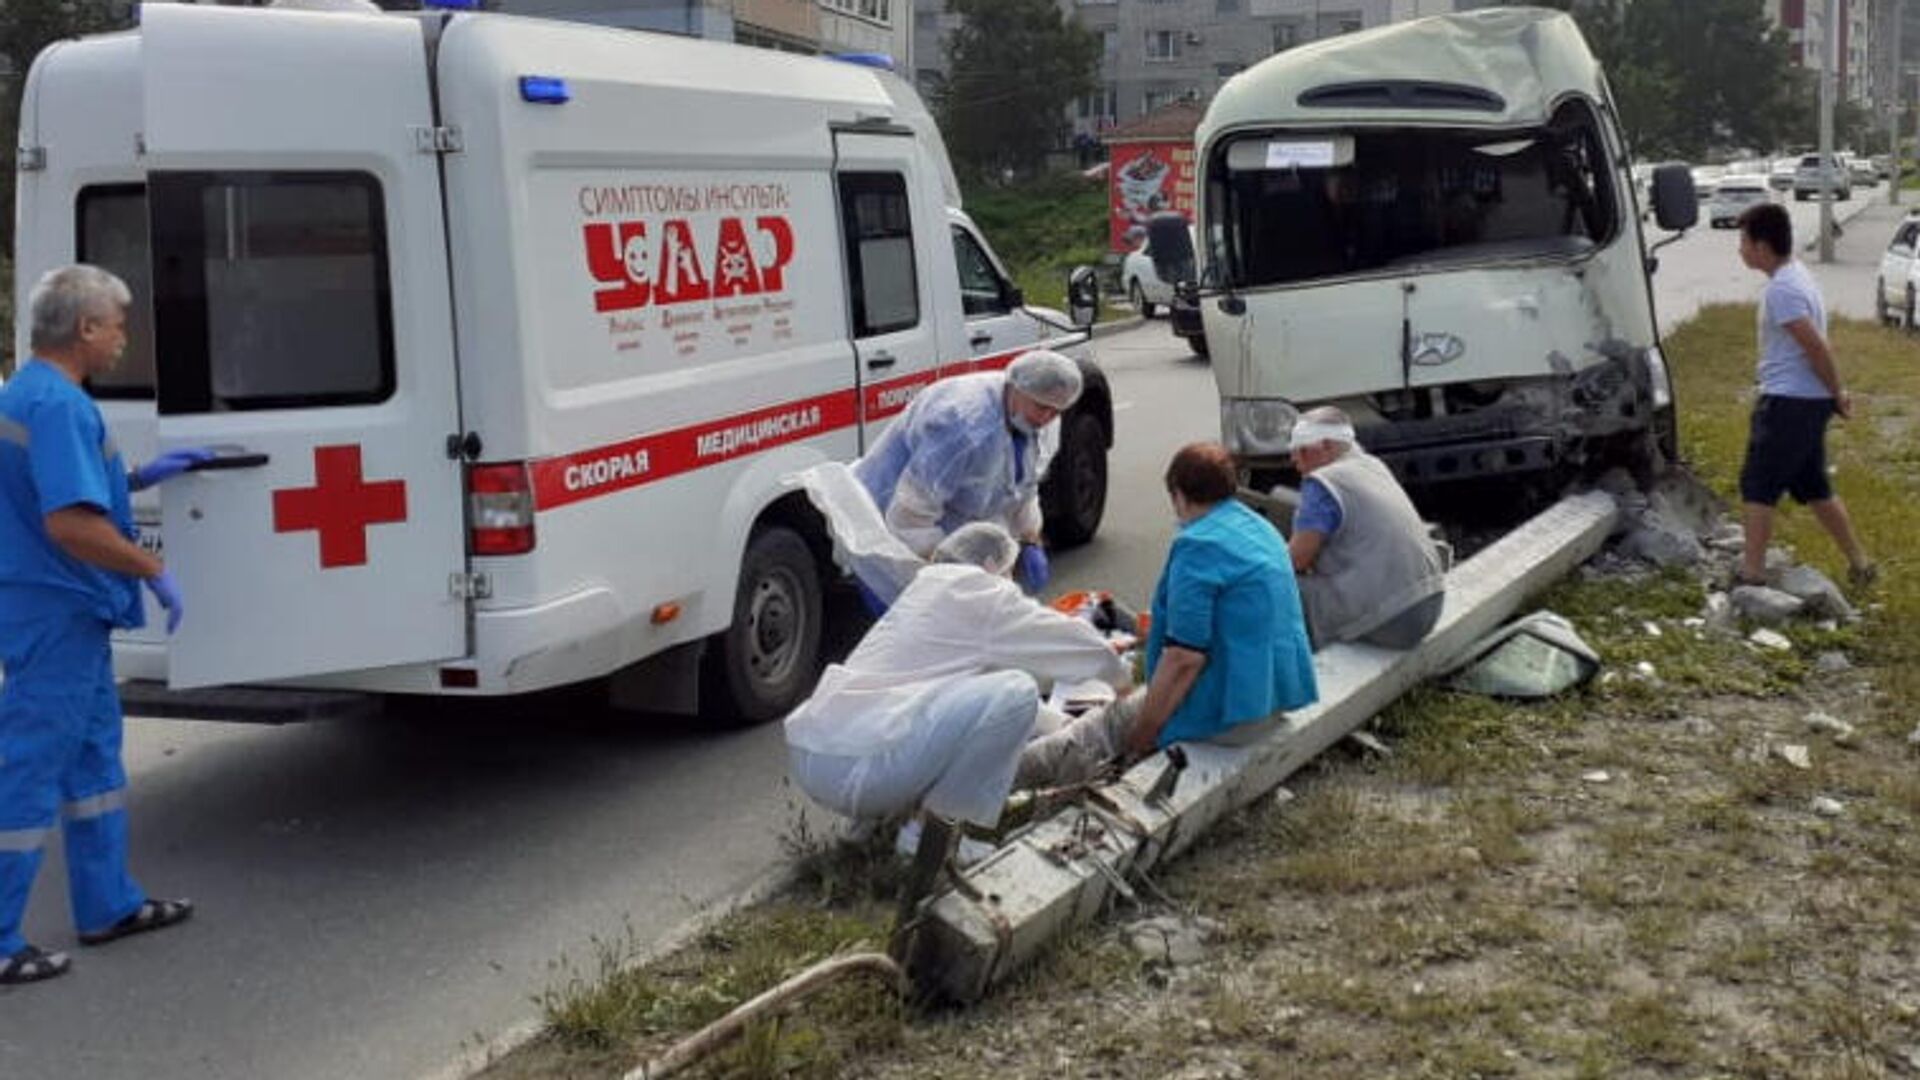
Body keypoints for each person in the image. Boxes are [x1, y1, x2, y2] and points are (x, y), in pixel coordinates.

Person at [0, 265, 205, 986]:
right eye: (117, 323)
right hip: (56, 609)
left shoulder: (32, 394)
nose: (123, 337)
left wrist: (144, 479)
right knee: (26, 768)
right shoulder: (57, 405)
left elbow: (61, 489)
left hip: (61, 610)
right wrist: (152, 569)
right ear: (85, 329)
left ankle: (107, 904)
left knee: (93, 765)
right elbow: (68, 523)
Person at [783, 523, 1130, 832]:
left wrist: (1063, 728)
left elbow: (975, 707)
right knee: (1019, 690)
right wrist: (1121, 676)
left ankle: (873, 830)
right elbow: (1063, 642)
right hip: (862, 770)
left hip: (817, 756)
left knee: (965, 702)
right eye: (1011, 574)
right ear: (994, 565)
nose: (1013, 585)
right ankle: (941, 837)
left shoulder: (925, 594)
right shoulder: (980, 592)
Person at [1017, 442, 1318, 788]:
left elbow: (1184, 659)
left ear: (1179, 495)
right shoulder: (1258, 528)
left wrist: (1144, 736)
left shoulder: (1199, 545)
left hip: (1229, 713)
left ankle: (1003, 784)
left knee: (1098, 731)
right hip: (1274, 696)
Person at [853, 349, 1083, 591]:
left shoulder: (1041, 424)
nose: (1047, 417)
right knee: (914, 607)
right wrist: (951, 569)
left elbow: (1022, 488)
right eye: (1041, 407)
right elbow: (910, 517)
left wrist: (1030, 539)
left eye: (1056, 411)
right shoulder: (962, 427)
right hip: (888, 521)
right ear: (1017, 388)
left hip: (952, 515)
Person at [1732, 203, 1875, 589]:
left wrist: (1838, 393)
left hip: (1788, 402)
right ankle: (1861, 564)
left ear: (1761, 245)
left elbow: (1817, 348)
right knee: (1814, 486)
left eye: (1743, 241)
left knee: (1758, 484)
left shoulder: (1783, 289)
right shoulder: (1796, 276)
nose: (1740, 249)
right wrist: (1830, 396)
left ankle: (1752, 574)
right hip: (1804, 402)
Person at [1287, 406, 1446, 649]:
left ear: (1326, 446)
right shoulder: (1372, 465)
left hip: (1390, 618)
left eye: (1301, 450)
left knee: (1270, 584)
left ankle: (1296, 674)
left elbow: (1295, 561)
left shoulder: (1322, 483)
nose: (1294, 459)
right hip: (1429, 604)